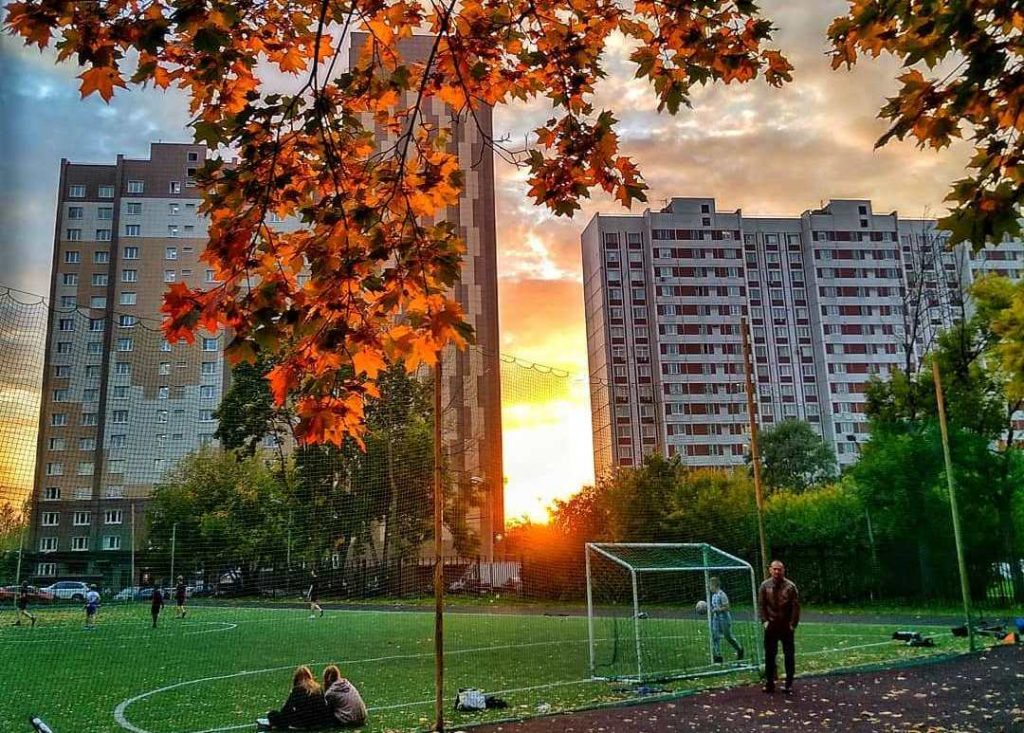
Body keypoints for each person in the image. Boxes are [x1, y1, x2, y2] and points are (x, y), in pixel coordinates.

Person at [758, 560, 800, 694]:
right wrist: (765, 621)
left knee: (789, 655)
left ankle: (788, 683)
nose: (777, 572)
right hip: (771, 625)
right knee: (770, 655)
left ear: (783, 570)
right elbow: (762, 605)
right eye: (774, 569)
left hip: (786, 625)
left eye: (779, 569)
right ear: (770, 570)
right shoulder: (765, 586)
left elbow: (795, 606)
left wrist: (793, 624)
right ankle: (769, 682)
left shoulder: (790, 586)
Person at [260, 665, 331, 730]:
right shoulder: (318, 688)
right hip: (319, 720)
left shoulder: (297, 690)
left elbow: (286, 710)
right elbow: (323, 706)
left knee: (272, 714)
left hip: (303, 722)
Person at [708, 576, 743, 663]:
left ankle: (739, 649)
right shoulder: (713, 596)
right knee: (715, 636)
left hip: (724, 619)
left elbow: (727, 607)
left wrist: (718, 609)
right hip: (716, 619)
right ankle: (718, 656)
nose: (709, 587)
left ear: (714, 585)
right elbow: (714, 607)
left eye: (710, 586)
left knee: (728, 637)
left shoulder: (722, 595)